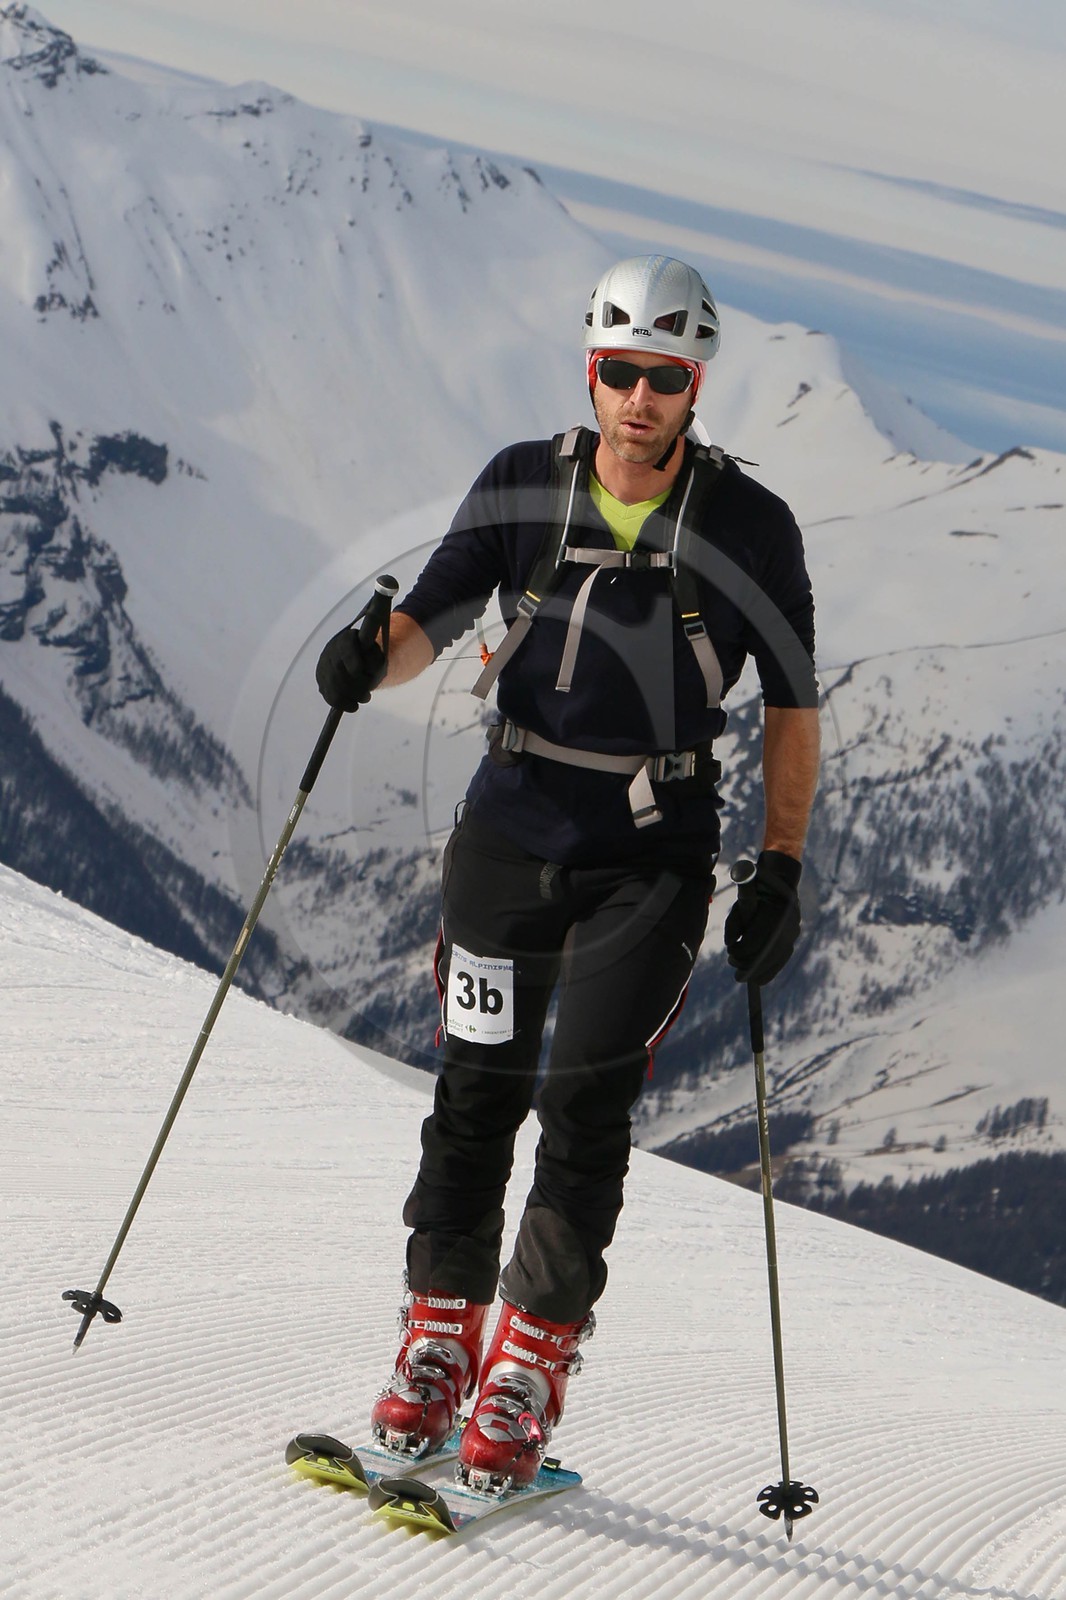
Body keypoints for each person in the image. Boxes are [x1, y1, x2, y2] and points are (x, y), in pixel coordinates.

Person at [316, 254, 820, 1493]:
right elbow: (428, 620)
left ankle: (529, 1365)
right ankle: (438, 1344)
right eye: (620, 372)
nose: (639, 397)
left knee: (585, 1109)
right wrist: (358, 660)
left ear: (696, 383)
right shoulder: (519, 486)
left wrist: (780, 867)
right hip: (505, 836)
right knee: (475, 1090)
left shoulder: (751, 527)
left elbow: (796, 706)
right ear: (589, 371)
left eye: (665, 375)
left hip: (650, 858)